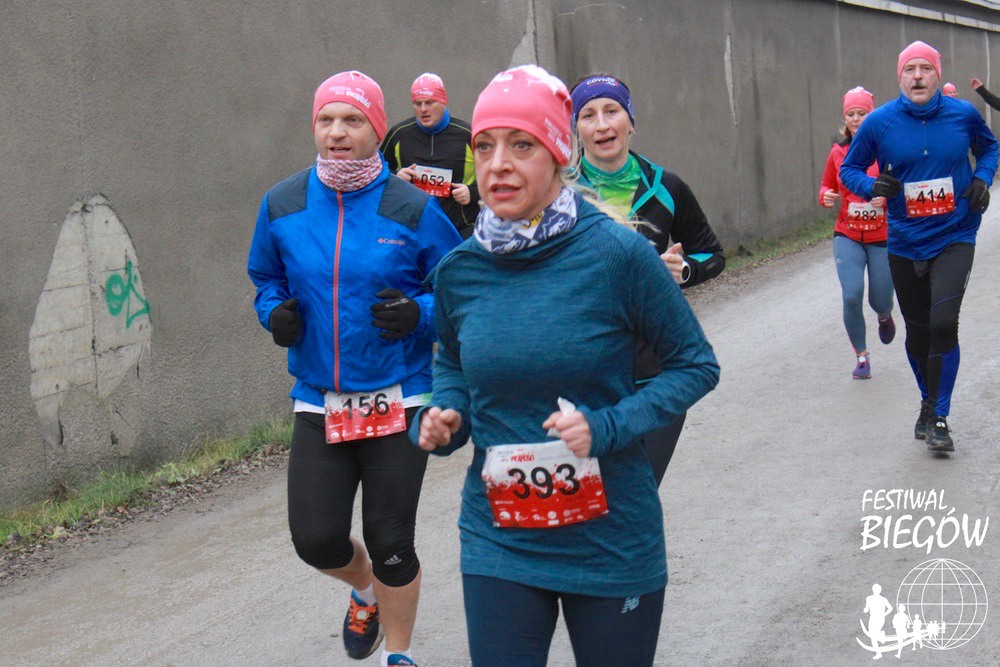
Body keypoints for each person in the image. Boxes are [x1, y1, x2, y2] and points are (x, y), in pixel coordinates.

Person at [412, 65, 719, 667]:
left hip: (611, 538)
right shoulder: (460, 270)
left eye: (521, 145)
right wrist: (446, 414)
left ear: (558, 155)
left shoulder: (618, 254)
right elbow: (452, 362)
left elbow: (695, 365)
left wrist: (607, 426)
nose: (498, 164)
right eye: (485, 146)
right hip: (499, 535)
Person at [248, 70, 462, 667]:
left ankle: (400, 654)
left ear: (377, 130)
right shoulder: (283, 203)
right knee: (315, 539)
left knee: (392, 542)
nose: (337, 132)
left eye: (353, 120)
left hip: (401, 395)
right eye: (326, 119)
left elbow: (459, 287)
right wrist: (273, 313)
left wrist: (419, 314)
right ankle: (363, 591)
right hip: (321, 400)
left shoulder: (412, 206)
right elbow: (265, 277)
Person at [841, 41, 999, 453]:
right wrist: (872, 185)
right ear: (900, 77)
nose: (917, 76)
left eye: (925, 69)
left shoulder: (963, 114)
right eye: (909, 69)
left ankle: (941, 416)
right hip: (905, 240)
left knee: (944, 323)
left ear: (936, 75)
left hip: (955, 234)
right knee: (918, 332)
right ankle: (927, 402)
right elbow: (849, 169)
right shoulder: (879, 122)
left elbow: (990, 147)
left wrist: (982, 178)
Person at [570, 73, 725, 484]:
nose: (602, 124)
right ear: (576, 129)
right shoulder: (558, 193)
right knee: (595, 497)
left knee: (636, 490)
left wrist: (684, 271)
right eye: (588, 115)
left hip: (658, 371)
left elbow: (712, 254)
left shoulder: (666, 186)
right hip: (586, 374)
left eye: (612, 111)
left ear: (630, 121)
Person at [817, 86, 896, 379]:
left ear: (871, 116)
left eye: (862, 113)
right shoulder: (838, 152)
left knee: (880, 299)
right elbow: (827, 185)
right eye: (851, 114)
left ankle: (884, 315)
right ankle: (862, 356)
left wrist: (885, 199)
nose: (856, 119)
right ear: (845, 118)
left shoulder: (886, 149)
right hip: (847, 235)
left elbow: (900, 186)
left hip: (882, 237)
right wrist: (825, 196)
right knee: (851, 295)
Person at [380, 73, 480, 238]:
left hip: (460, 228)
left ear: (443, 101)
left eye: (429, 102)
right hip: (414, 229)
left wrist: (472, 192)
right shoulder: (400, 133)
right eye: (417, 103)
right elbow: (377, 171)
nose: (423, 109)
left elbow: (494, 174)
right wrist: (395, 177)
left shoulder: (467, 134)